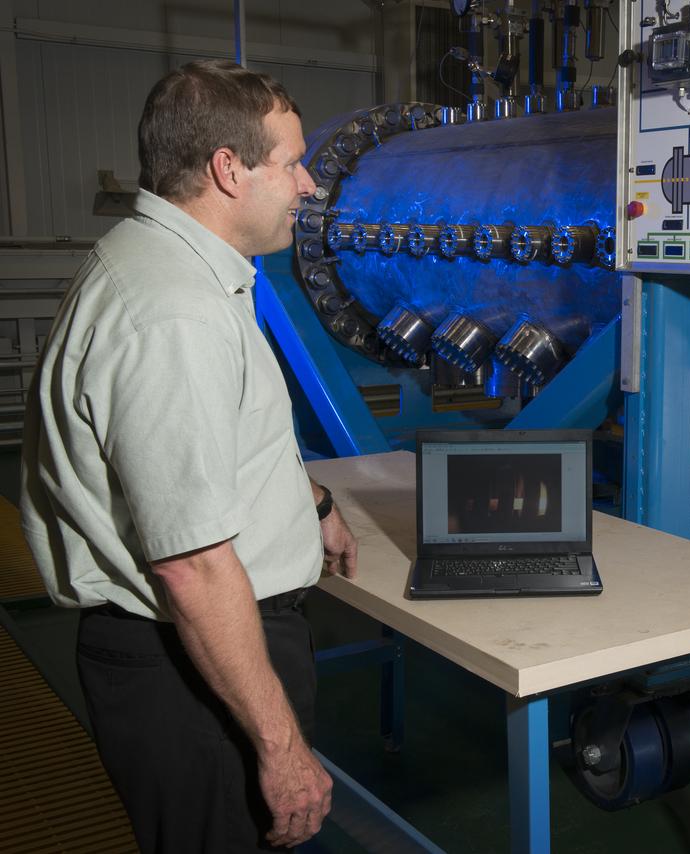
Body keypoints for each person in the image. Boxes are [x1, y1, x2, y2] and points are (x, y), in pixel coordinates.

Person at [20, 60, 358, 852]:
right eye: (292, 162)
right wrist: (280, 749)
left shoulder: (167, 268)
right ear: (227, 170)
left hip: (197, 647)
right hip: (191, 662)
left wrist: (312, 504)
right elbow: (192, 567)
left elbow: (211, 450)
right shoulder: (174, 315)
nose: (309, 185)